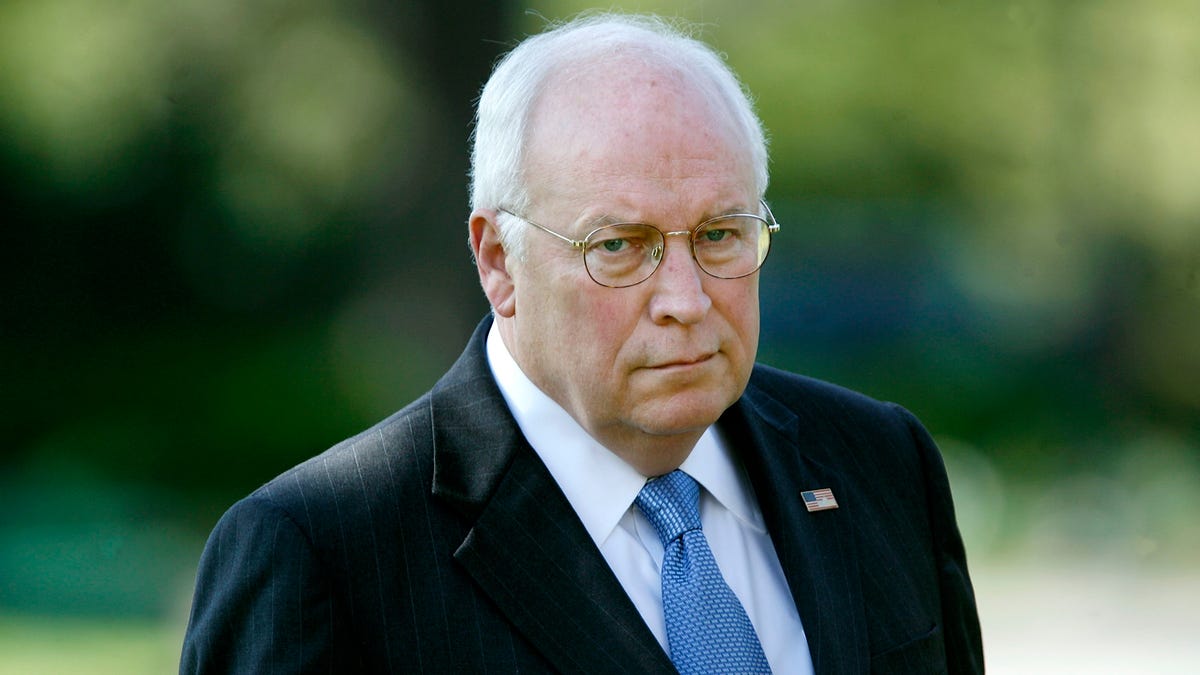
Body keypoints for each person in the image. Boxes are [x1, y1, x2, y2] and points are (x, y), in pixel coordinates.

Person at [180, 13, 983, 674]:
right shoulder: (324, 555)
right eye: (620, 246)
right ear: (499, 262)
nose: (686, 299)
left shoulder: (881, 464)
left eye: (719, 233)